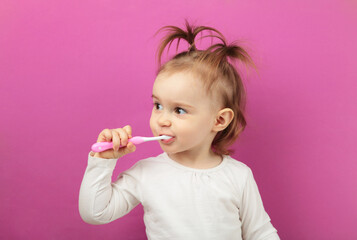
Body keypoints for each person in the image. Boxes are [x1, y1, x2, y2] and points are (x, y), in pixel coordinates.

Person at [79, 20, 280, 240]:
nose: (162, 120)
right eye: (158, 106)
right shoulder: (146, 172)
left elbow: (260, 233)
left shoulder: (238, 176)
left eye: (179, 110)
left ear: (219, 120)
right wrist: (102, 161)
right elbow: (95, 213)